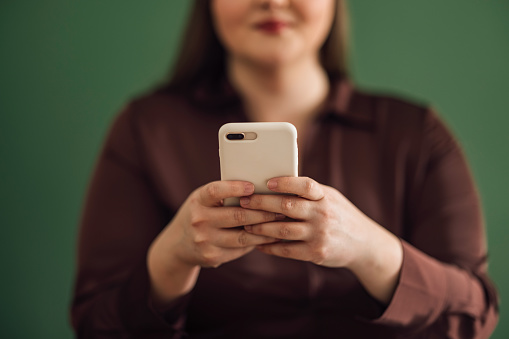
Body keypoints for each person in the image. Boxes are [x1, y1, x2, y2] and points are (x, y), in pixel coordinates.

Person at [71, 0, 499, 338]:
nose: (273, 2)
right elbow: (97, 324)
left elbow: (472, 318)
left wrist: (370, 249)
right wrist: (174, 256)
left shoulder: (416, 134)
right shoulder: (146, 130)